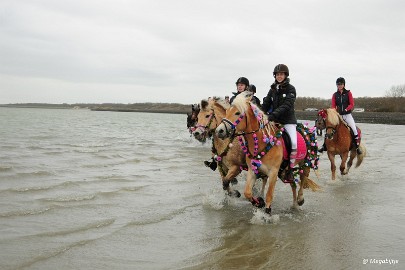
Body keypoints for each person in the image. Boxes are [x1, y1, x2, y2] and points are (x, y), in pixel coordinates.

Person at [261, 64, 297, 182]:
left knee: (293, 143)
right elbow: (266, 104)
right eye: (277, 74)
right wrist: (259, 113)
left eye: (281, 74)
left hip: (288, 121)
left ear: (285, 75)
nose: (279, 76)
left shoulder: (291, 89)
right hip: (274, 122)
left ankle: (290, 170)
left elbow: (286, 106)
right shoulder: (272, 89)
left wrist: (272, 115)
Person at [319, 77, 362, 154]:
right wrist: (333, 111)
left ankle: (357, 146)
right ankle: (324, 146)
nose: (339, 85)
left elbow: (352, 104)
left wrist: (346, 109)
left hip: (347, 115)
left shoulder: (348, 93)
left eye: (341, 84)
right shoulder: (335, 95)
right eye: (338, 84)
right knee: (329, 128)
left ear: (344, 84)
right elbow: (333, 106)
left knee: (354, 129)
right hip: (338, 115)